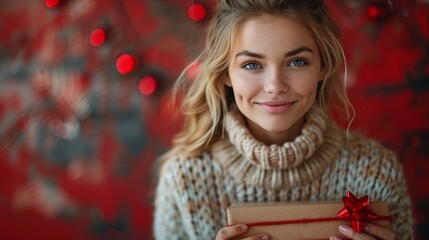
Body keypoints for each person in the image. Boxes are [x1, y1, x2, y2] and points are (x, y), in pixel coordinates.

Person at [153, 0, 414, 239]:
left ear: (324, 66)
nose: (275, 86)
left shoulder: (377, 173)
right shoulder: (184, 178)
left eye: (297, 62)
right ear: (225, 73)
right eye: (252, 65)